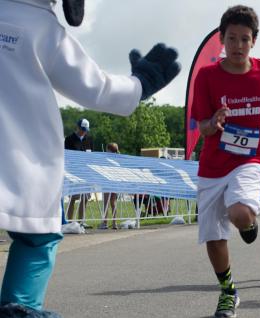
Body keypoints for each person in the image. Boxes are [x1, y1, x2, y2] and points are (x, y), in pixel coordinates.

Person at [0, 0, 180, 315]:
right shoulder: (43, 28)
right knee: (35, 242)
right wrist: (139, 84)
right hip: (23, 162)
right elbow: (96, 88)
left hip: (22, 162)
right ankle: (18, 308)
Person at [191, 5, 260, 317]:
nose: (238, 46)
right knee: (214, 237)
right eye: (231, 38)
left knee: (240, 212)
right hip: (213, 165)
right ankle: (228, 292)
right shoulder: (207, 76)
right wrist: (210, 124)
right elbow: (199, 124)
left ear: (254, 41)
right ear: (222, 40)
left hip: (252, 159)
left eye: (244, 39)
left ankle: (249, 222)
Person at [64, 118, 94, 228]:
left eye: (85, 130)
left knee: (85, 197)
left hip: (86, 173)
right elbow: (68, 156)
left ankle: (82, 221)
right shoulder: (69, 139)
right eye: (82, 129)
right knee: (73, 197)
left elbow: (91, 155)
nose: (84, 131)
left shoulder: (89, 139)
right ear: (77, 127)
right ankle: (70, 221)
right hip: (74, 173)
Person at [99, 143, 120, 230]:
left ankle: (105, 222)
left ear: (109, 150)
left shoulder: (107, 159)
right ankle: (114, 223)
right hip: (115, 182)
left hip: (107, 182)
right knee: (113, 202)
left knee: (106, 203)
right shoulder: (117, 159)